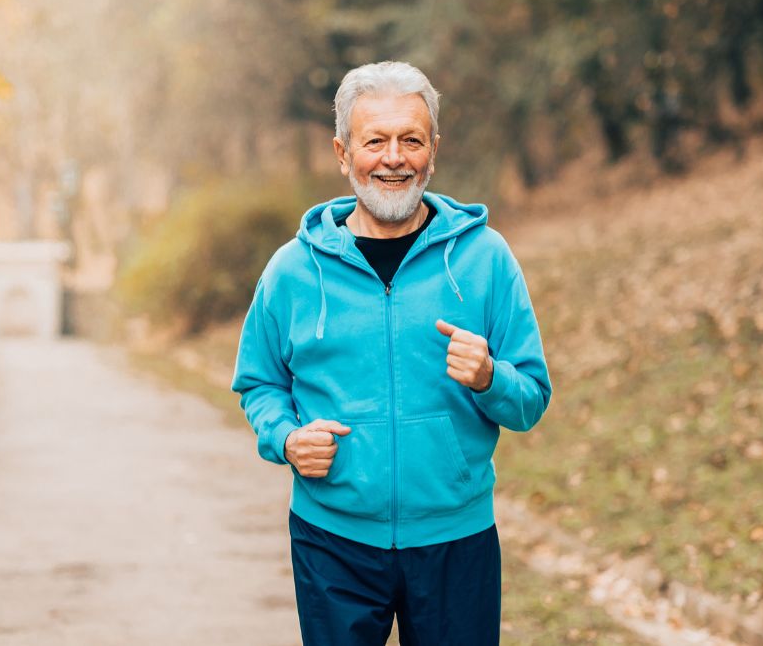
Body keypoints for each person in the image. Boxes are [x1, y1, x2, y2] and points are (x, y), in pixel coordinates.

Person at [232, 61, 552, 646]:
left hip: (457, 540)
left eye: (411, 139)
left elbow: (530, 399)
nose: (393, 157)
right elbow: (259, 384)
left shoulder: (485, 259)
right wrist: (284, 438)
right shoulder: (293, 271)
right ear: (342, 152)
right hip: (332, 542)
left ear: (433, 150)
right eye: (374, 141)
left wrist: (489, 379)